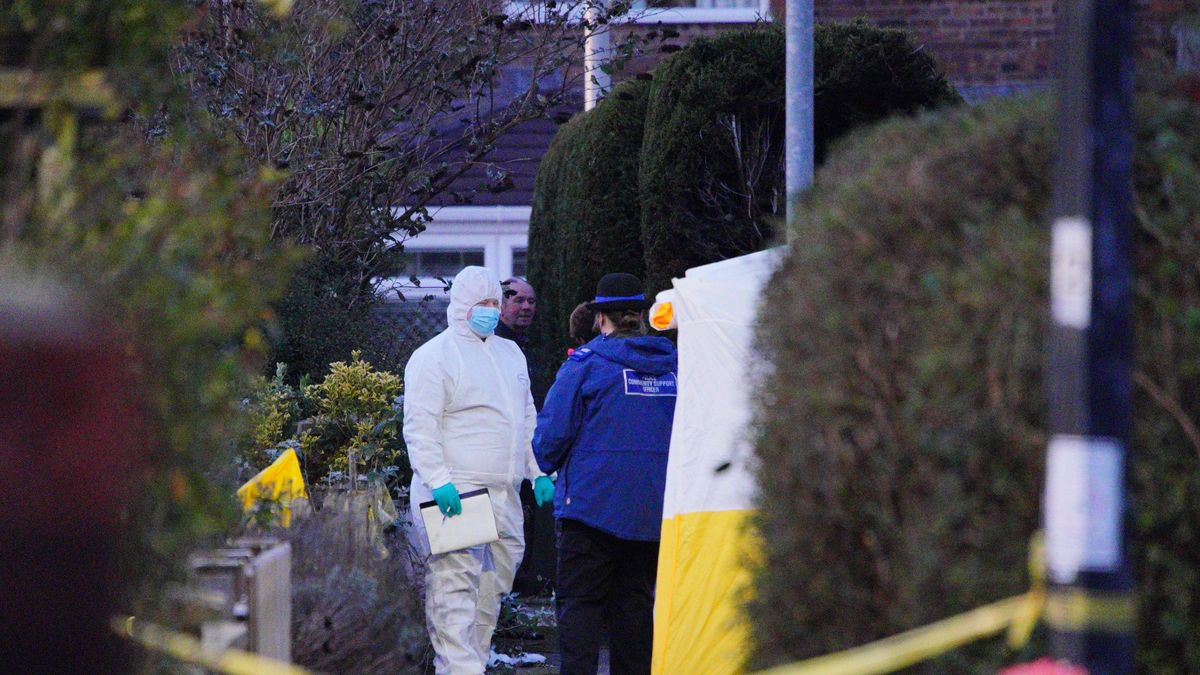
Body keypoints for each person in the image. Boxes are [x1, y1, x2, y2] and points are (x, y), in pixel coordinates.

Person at [403, 266, 556, 674]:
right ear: (461, 305)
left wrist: (537, 471)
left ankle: (474, 661)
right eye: (481, 303)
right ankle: (457, 668)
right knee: (454, 588)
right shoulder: (434, 356)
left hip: (503, 493)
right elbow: (420, 427)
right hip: (459, 492)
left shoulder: (509, 354)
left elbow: (525, 417)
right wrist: (439, 482)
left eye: (494, 302)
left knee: (492, 588)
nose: (489, 310)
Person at [533, 273, 679, 675]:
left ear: (600, 319)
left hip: (589, 513)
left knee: (580, 616)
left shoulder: (585, 365)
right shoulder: (674, 367)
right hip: (651, 513)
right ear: (641, 315)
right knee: (634, 616)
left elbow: (548, 442)